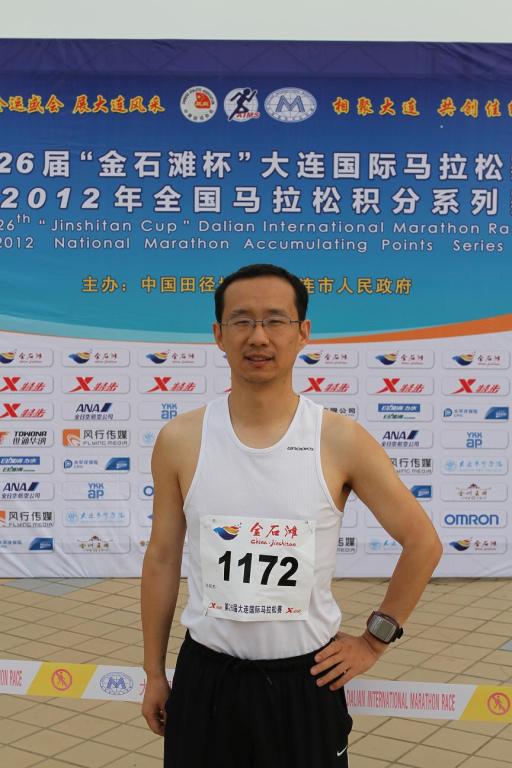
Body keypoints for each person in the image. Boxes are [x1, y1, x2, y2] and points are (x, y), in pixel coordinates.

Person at [141, 263, 442, 768]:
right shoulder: (180, 439)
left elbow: (423, 542)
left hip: (305, 682)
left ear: (303, 332)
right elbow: (163, 558)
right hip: (205, 678)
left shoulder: (340, 439)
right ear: (218, 334)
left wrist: (374, 641)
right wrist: (154, 672)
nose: (258, 336)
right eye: (241, 321)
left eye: (275, 321)